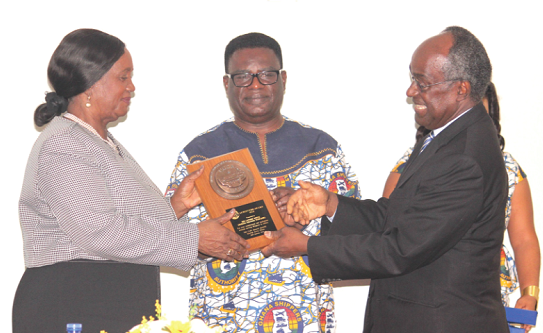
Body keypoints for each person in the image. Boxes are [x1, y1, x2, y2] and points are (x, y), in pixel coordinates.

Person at [262, 26, 510, 333]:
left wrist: (308, 246)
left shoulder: (464, 157)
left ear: (461, 88)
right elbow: (396, 218)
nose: (410, 92)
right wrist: (330, 203)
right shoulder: (446, 135)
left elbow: (401, 249)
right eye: (412, 79)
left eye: (422, 82)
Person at [14, 28, 249, 333]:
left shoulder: (99, 141)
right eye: (123, 77)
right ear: (90, 84)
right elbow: (100, 231)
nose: (132, 87)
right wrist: (194, 239)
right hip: (74, 304)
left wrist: (175, 207)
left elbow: (118, 219)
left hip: (106, 303)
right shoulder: (65, 144)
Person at [165, 32, 360, 332]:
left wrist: (304, 216)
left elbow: (358, 236)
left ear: (283, 79)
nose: (255, 85)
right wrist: (210, 242)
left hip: (305, 314)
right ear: (226, 84)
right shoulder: (198, 154)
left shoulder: (322, 149)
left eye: (266, 75)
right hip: (222, 317)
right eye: (243, 76)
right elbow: (166, 237)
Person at [383, 82, 540, 321]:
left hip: (484, 299)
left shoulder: (508, 168)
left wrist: (530, 293)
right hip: (418, 294)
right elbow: (386, 226)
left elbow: (524, 239)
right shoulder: (411, 163)